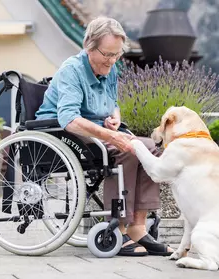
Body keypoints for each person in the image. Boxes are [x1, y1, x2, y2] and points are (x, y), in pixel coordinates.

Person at [36, 16, 173, 257]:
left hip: (98, 131)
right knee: (125, 150)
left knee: (151, 148)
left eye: (117, 55)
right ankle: (118, 229)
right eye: (107, 54)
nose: (111, 61)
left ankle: (138, 228)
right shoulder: (72, 70)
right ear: (89, 45)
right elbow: (68, 119)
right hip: (64, 132)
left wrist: (115, 117)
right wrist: (112, 135)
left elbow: (114, 103)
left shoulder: (110, 69)